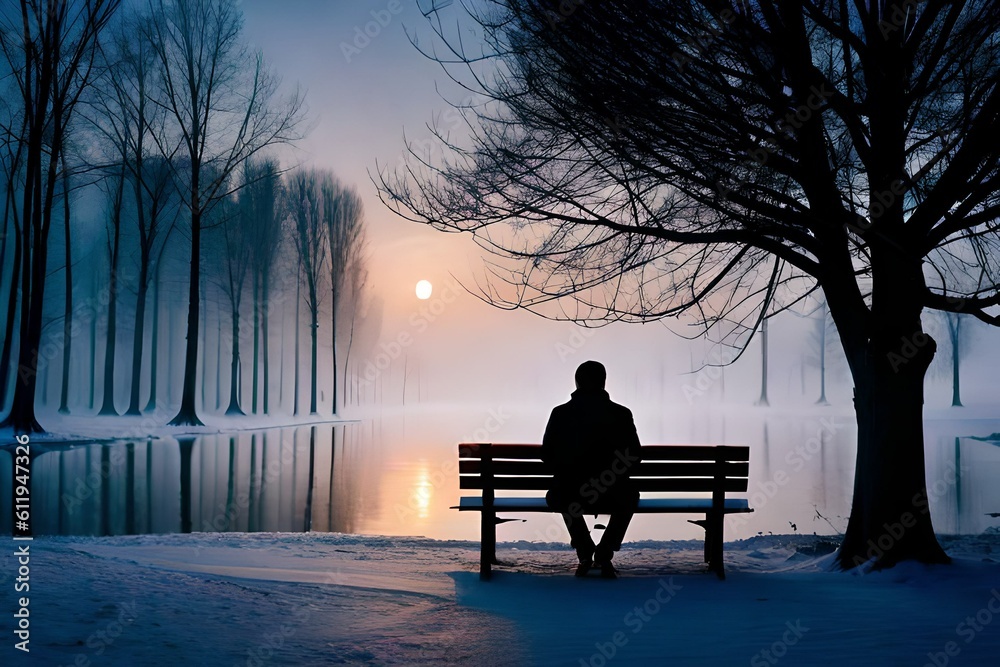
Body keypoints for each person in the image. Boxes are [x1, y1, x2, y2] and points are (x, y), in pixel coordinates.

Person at [541, 360, 641, 578]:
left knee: (560, 495)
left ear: (577, 382)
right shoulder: (621, 414)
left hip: (571, 493)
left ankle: (585, 550)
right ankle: (605, 550)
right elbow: (634, 455)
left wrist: (568, 468)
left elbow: (547, 456)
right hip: (613, 493)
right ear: (603, 383)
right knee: (630, 496)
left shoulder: (560, 414)